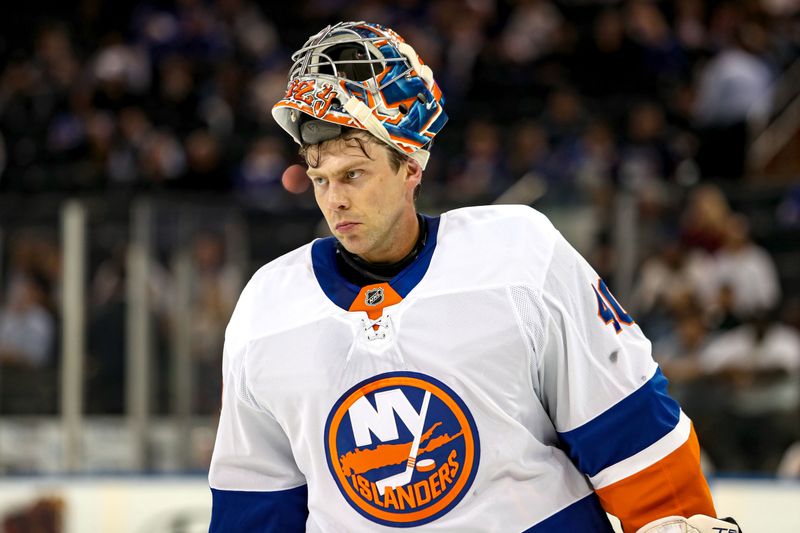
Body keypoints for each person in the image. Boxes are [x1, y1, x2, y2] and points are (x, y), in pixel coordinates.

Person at [208, 22, 741, 533]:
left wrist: (674, 517)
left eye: (354, 174)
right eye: (321, 178)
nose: (335, 199)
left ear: (411, 167)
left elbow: (628, 429)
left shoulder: (518, 259)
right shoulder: (267, 309)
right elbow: (254, 504)